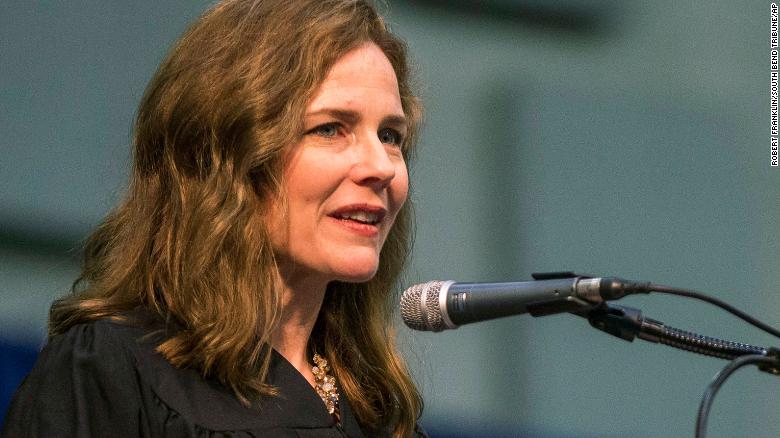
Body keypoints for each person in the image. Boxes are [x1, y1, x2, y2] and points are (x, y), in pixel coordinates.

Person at [2, 0, 426, 436]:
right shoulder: (112, 373)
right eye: (330, 128)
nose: (382, 166)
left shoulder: (379, 415)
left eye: (390, 135)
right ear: (226, 156)